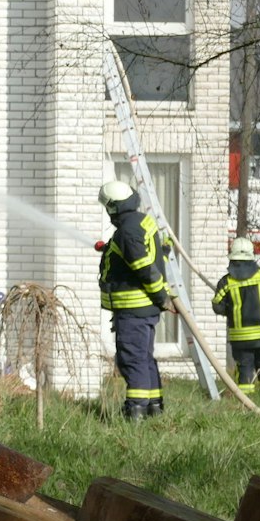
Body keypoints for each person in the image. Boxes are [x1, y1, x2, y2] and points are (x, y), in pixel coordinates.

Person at [97, 179, 172, 421]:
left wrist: (162, 296)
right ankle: (154, 406)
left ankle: (135, 411)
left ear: (112, 207)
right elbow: (150, 254)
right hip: (142, 310)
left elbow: (142, 266)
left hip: (134, 308)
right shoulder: (140, 222)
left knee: (132, 359)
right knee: (144, 357)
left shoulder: (127, 231)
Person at [213, 237, 260, 394]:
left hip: (241, 339)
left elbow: (217, 306)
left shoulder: (226, 282)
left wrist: (229, 311)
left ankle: (245, 402)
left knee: (244, 367)